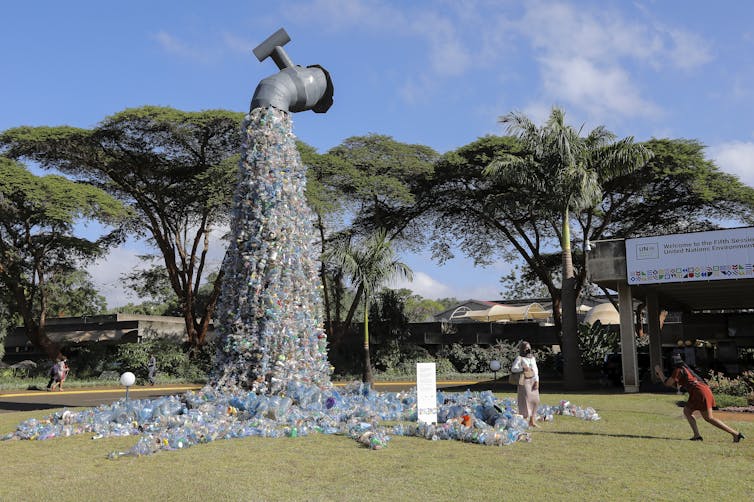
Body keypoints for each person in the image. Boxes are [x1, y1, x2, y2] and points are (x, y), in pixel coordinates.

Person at [655, 353, 744, 442]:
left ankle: (735, 434)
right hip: (702, 390)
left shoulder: (678, 370)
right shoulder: (684, 369)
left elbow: (667, 383)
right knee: (687, 411)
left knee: (709, 418)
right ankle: (697, 436)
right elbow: (676, 385)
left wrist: (659, 372)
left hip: (699, 392)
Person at [511, 341, 540, 427]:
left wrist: (537, 381)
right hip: (524, 382)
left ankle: (532, 421)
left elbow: (536, 371)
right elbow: (513, 369)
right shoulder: (519, 358)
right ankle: (525, 422)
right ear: (522, 349)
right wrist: (522, 368)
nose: (528, 349)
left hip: (533, 381)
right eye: (526, 348)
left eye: (529, 347)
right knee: (526, 402)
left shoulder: (532, 358)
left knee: (536, 401)